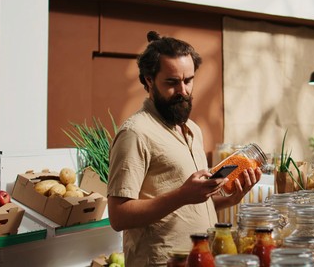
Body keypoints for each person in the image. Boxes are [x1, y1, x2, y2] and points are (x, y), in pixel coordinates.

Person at [107, 31, 262, 266]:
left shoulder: (192, 129)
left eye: (188, 80)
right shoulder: (135, 133)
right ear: (149, 80)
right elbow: (118, 216)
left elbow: (191, 205)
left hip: (200, 259)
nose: (183, 91)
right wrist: (181, 195)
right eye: (171, 82)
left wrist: (230, 199)